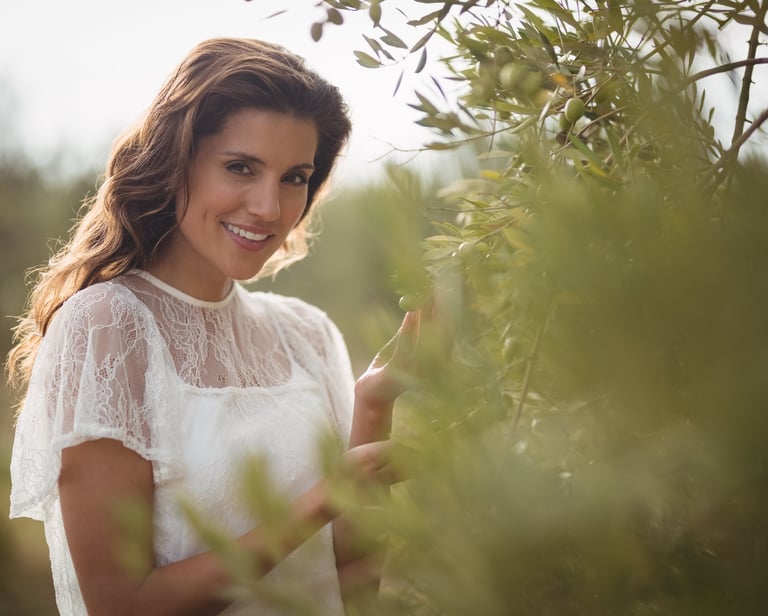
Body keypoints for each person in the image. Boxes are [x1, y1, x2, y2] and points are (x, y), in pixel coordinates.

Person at [7, 37, 419, 615]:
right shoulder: (107, 326)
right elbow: (122, 604)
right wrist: (319, 502)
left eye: (294, 177)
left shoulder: (306, 333)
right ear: (175, 162)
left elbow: (352, 585)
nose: (269, 208)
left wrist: (375, 404)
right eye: (240, 167)